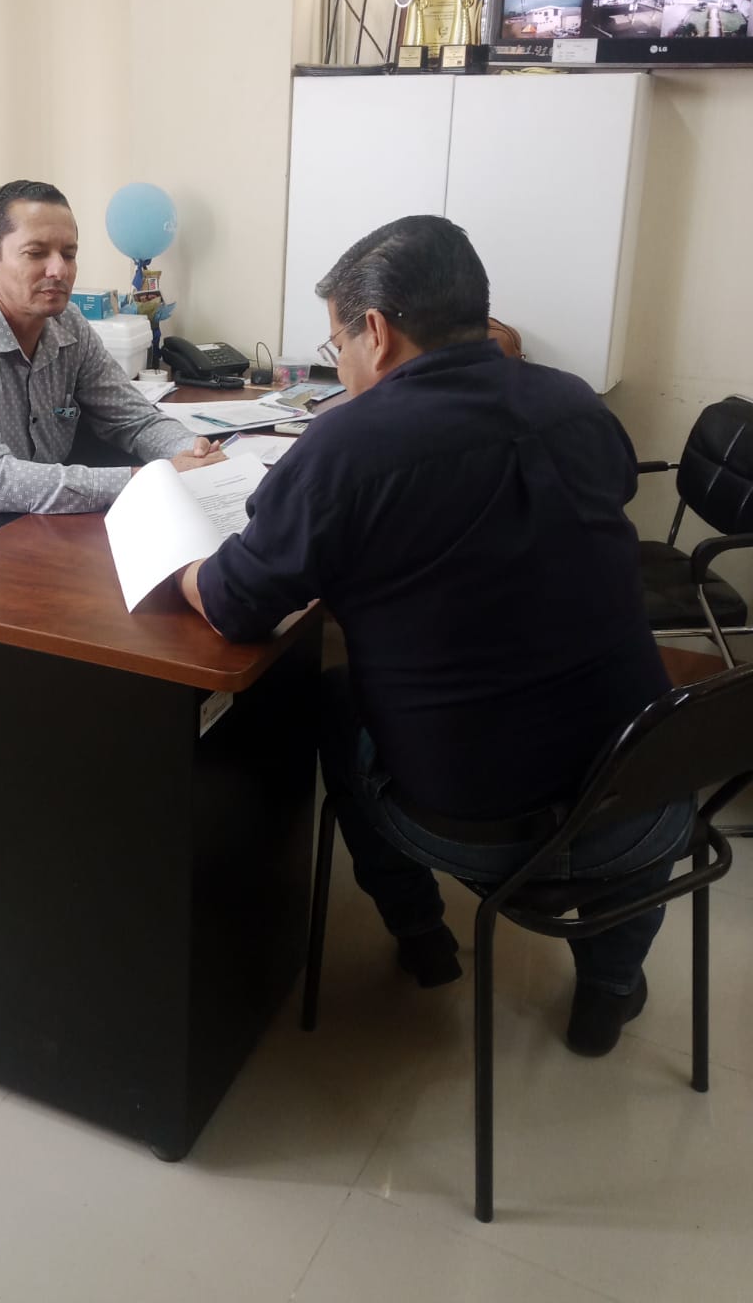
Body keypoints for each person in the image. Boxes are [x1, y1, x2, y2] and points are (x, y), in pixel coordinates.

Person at [175, 215, 692, 1058]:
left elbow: (235, 604)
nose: (342, 364)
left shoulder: (347, 446)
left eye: (338, 342)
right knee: (594, 711)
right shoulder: (573, 404)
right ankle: (609, 986)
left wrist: (181, 565)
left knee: (336, 700)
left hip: (472, 819)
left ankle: (421, 936)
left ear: (375, 332)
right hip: (649, 796)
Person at [0, 179, 220, 542]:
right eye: (36, 253)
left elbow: (136, 421)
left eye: (68, 254)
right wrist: (147, 480)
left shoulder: (68, 325)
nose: (59, 270)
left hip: (21, 530)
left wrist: (192, 451)